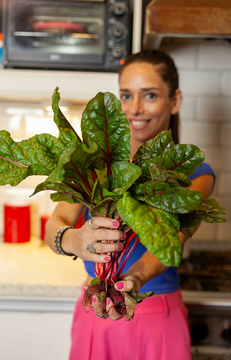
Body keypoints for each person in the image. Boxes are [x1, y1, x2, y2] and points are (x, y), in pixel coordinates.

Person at [45, 49, 215, 360]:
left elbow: (168, 243)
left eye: (149, 95)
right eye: (126, 95)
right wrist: (74, 240)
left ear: (174, 100)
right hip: (96, 312)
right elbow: (54, 225)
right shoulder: (91, 165)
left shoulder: (195, 175)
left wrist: (132, 279)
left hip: (158, 317)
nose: (135, 108)